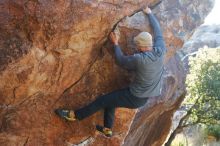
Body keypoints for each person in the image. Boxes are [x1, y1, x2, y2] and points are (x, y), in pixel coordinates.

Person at [55, 6, 166, 138]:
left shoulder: (140, 59)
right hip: (144, 98)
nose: (136, 48)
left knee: (103, 100)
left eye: (137, 46)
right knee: (112, 100)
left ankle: (75, 115)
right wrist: (150, 14)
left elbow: (120, 60)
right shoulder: (160, 50)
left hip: (134, 97)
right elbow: (158, 31)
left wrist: (115, 44)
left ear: (142, 47)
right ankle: (107, 129)